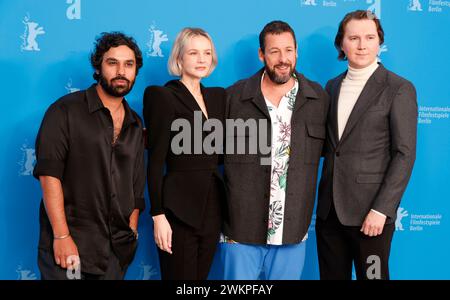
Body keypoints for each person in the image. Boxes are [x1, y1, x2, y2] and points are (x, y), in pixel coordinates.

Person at [218, 20, 329, 279]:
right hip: (240, 231)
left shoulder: (319, 99)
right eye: (274, 51)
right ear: (261, 54)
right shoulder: (233, 98)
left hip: (292, 232)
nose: (283, 59)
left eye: (288, 50)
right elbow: (212, 159)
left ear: (297, 51)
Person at [34, 32, 145, 280]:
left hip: (116, 251)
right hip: (71, 245)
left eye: (129, 64)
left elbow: (137, 186)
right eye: (112, 62)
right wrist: (61, 236)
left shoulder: (135, 124)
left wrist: (131, 231)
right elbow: (49, 175)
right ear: (98, 66)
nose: (121, 71)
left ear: (136, 71)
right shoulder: (64, 110)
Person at [315, 10, 417, 280]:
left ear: (379, 41)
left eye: (370, 37)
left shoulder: (398, 88)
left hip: (371, 217)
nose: (362, 45)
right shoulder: (331, 87)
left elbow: (404, 155)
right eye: (354, 37)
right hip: (329, 214)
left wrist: (382, 209)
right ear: (342, 43)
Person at [143, 27, 226, 280]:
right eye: (193, 53)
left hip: (213, 207)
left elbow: (221, 152)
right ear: (179, 58)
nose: (202, 59)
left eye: (207, 53)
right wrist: (158, 215)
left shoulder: (219, 97)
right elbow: (155, 162)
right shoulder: (162, 96)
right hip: (177, 209)